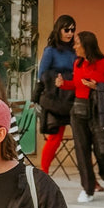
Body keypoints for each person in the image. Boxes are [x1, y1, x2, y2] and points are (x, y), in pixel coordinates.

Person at [56, 31, 104, 203]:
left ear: (87, 46)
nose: (74, 46)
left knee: (103, 149)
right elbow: (77, 86)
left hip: (98, 111)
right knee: (82, 151)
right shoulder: (77, 63)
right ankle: (88, 189)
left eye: (77, 43)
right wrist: (64, 84)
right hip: (79, 111)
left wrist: (97, 85)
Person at [34, 15, 76, 174]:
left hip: (72, 97)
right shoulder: (50, 51)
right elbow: (42, 75)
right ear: (58, 30)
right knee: (55, 138)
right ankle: (43, 172)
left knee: (83, 138)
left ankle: (90, 181)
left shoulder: (74, 51)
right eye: (66, 29)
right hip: (55, 99)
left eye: (72, 30)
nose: (70, 33)